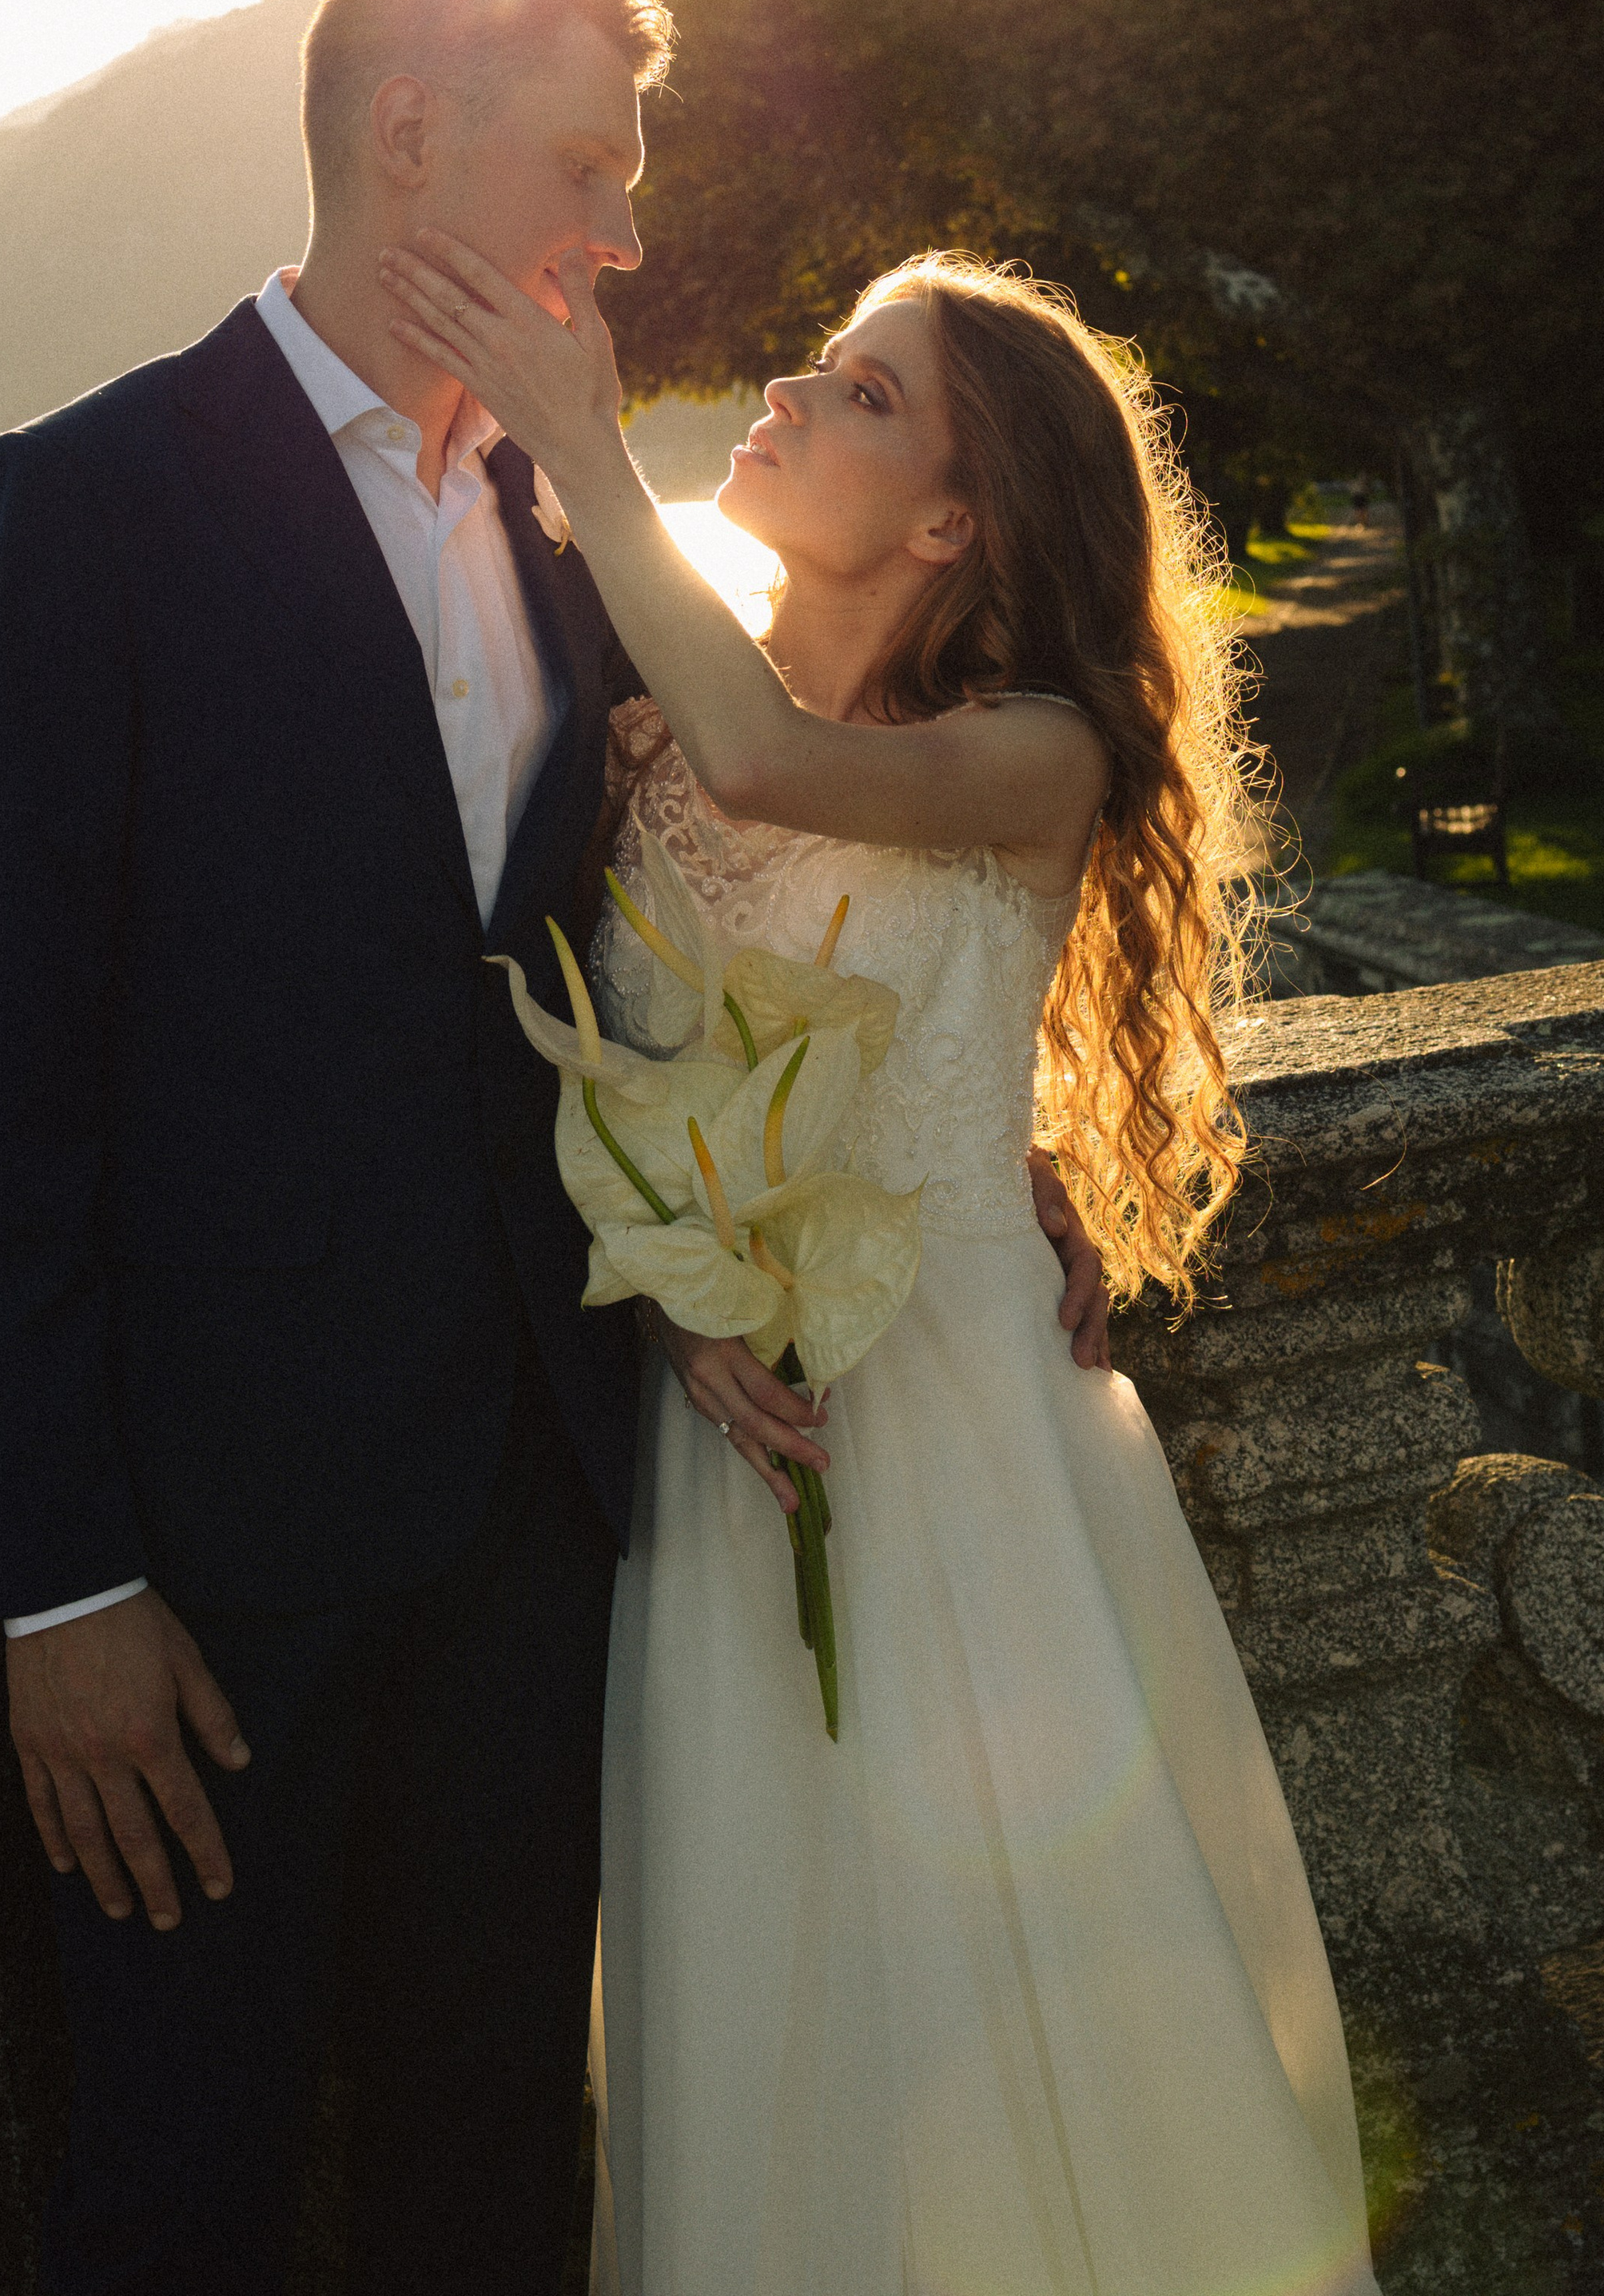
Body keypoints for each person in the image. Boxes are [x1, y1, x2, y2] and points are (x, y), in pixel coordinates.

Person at [0, 0, 1109, 2296]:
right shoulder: (82, 506)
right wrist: (63, 1581)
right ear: (410, 132)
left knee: (497, 2176)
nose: (632, 237)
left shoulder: (573, 544)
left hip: (555, 1528)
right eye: (592, 163)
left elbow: (674, 959)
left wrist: (954, 1161)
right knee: (183, 2180)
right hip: (216, 1564)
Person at [384, 229, 1381, 2296]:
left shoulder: (1035, 754)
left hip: (961, 1453)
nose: (787, 396)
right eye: (817, 364)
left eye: (861, 391)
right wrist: (672, 1287)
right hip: (726, 1470)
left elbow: (784, 773)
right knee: (765, 1985)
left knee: (1004, 2001)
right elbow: (588, 1079)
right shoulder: (642, 739)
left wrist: (582, 435)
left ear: (954, 516)